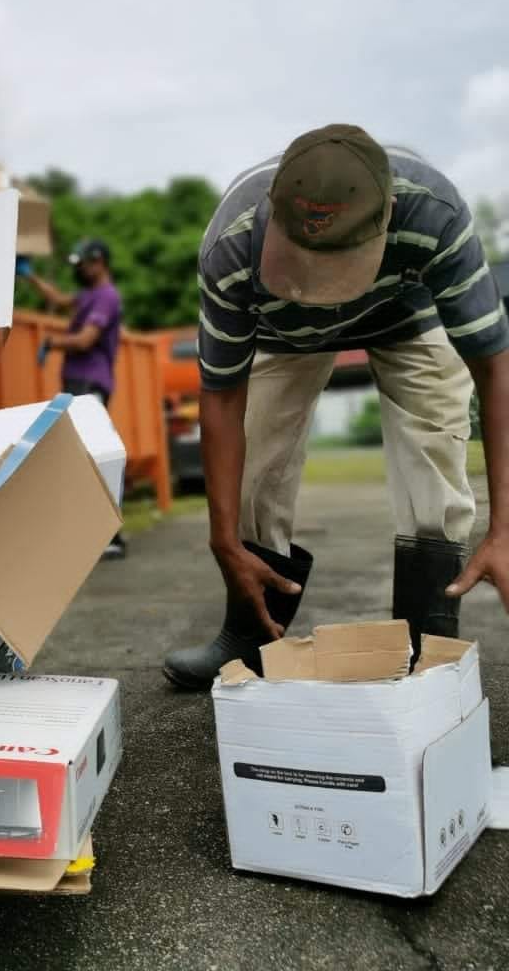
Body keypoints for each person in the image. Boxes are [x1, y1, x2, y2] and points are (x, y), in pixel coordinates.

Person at [164, 125, 509, 688]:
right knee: (253, 472)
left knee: (434, 452)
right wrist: (223, 538)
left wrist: (505, 527)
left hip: (406, 314)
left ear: (389, 213)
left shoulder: (435, 215)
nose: (312, 284)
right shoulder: (233, 241)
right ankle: (250, 636)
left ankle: (424, 648)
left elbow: (495, 365)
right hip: (283, 332)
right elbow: (221, 397)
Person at [18, 239, 126, 558]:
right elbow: (60, 300)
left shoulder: (106, 297)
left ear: (100, 262)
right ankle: (102, 534)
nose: (79, 270)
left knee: (93, 456)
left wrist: (52, 343)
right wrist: (29, 276)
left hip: (90, 380)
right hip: (81, 381)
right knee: (86, 456)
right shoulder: (89, 296)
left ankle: (110, 537)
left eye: (83, 264)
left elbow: (84, 340)